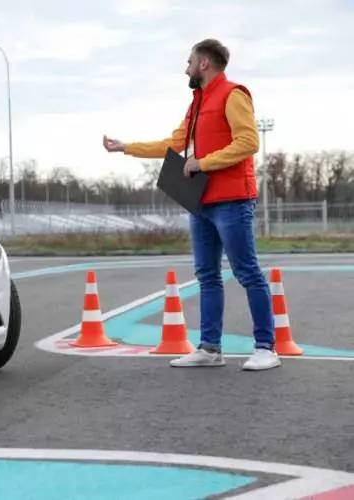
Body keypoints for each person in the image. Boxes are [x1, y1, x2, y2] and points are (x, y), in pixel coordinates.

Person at [102, 39, 279, 371]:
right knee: (207, 275)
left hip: (232, 200)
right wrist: (126, 147)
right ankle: (210, 349)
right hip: (202, 203)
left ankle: (266, 347)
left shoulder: (233, 94)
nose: (185, 67)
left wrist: (203, 163)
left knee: (247, 272)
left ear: (204, 64)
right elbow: (175, 143)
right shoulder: (197, 103)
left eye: (189, 61)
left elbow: (249, 141)